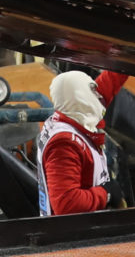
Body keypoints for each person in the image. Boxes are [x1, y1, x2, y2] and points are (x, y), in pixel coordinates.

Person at [37, 68, 128, 215]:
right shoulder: (64, 144)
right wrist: (106, 194)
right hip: (79, 233)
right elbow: (67, 204)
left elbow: (106, 86)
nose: (97, 95)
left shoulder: (72, 112)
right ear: (80, 98)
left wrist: (126, 60)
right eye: (92, 91)